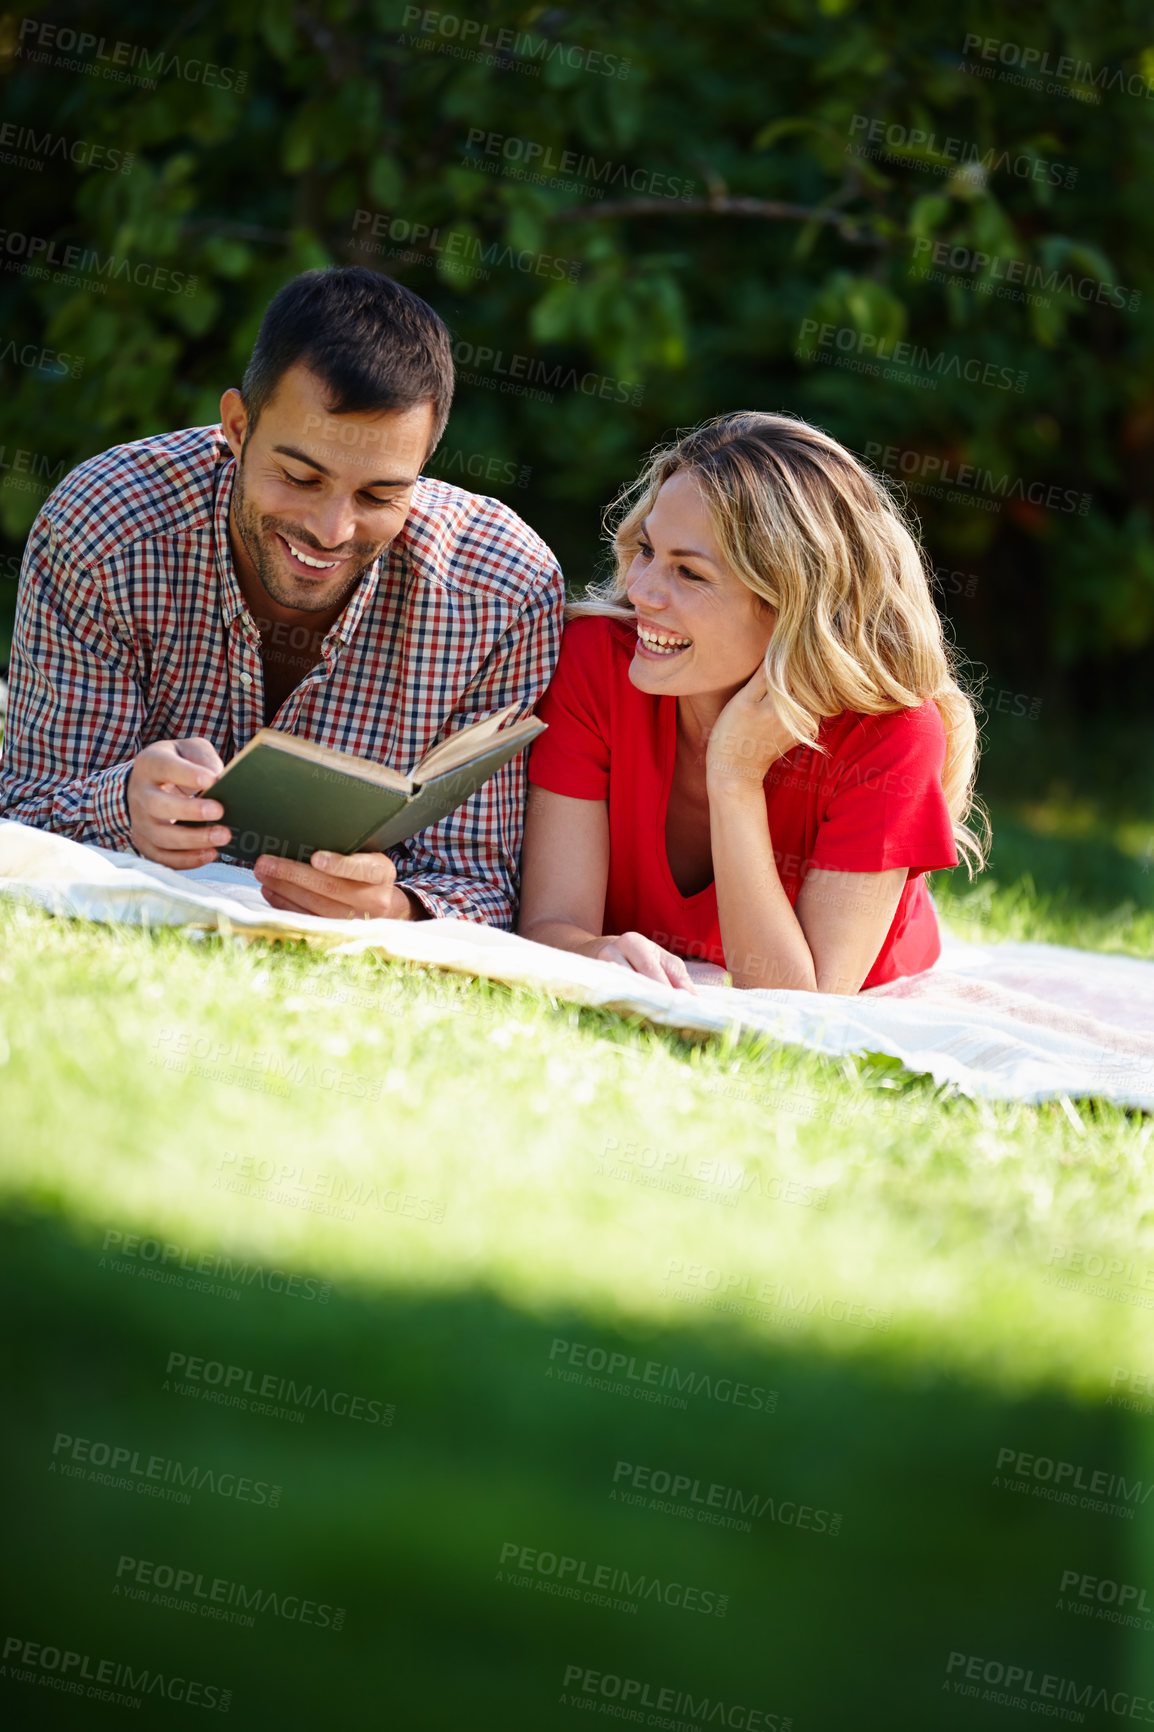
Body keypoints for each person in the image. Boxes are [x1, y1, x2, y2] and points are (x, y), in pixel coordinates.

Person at [0, 267, 563, 925]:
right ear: (237, 427)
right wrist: (118, 807)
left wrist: (395, 906)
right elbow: (23, 813)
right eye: (300, 477)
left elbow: (487, 884)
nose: (332, 531)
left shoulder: (503, 592)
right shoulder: (105, 528)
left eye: (380, 495)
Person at [518, 411, 986, 994]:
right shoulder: (597, 663)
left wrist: (734, 776)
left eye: (688, 572)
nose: (639, 592)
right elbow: (547, 926)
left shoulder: (891, 734)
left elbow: (802, 1005)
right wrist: (593, 952)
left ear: (791, 604)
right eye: (647, 550)